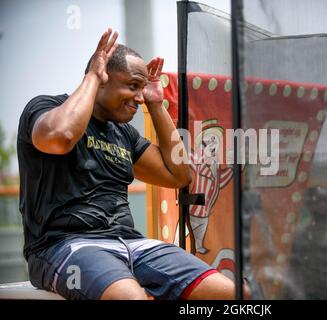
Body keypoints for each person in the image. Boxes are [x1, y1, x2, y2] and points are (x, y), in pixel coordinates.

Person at [17, 28, 250, 300]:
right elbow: (61, 138)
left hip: (132, 244)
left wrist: (156, 104)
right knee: (132, 299)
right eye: (132, 86)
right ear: (102, 80)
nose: (139, 97)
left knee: (238, 294)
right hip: (64, 246)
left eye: (142, 88)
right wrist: (91, 76)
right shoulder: (45, 108)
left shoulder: (123, 133)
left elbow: (179, 175)